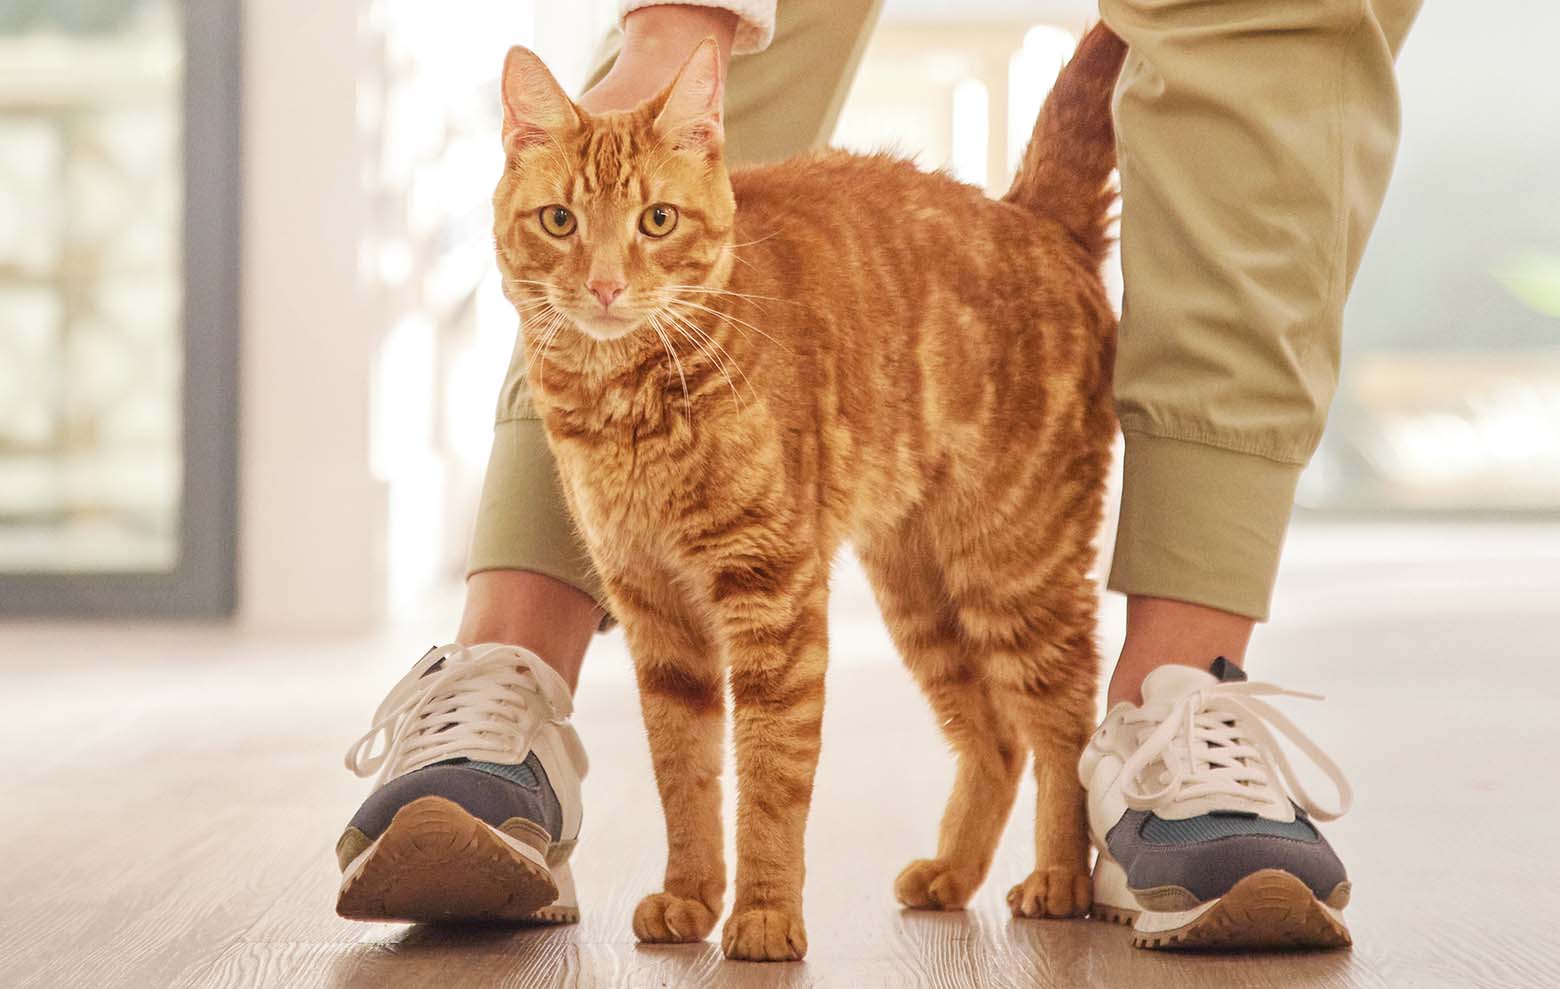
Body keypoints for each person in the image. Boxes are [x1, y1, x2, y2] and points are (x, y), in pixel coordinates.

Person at [333, 0, 1422, 949]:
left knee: (1015, 610)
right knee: (895, 619)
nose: (606, 275)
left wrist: (769, 888)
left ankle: (1176, 706)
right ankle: (510, 672)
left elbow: (777, 639)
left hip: (980, 330)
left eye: (651, 223)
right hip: (797, 295)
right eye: (565, 224)